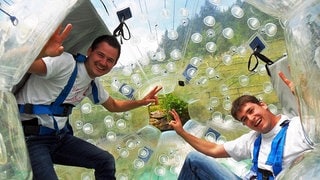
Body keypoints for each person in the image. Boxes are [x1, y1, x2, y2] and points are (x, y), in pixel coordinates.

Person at [15, 24, 162, 180]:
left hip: (58, 138)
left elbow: (113, 105)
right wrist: (43, 52)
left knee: (105, 161)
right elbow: (21, 65)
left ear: (113, 65)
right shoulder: (64, 63)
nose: (103, 62)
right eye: (100, 55)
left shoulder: (92, 84)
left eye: (110, 60)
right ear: (90, 51)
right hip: (31, 138)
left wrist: (142, 102)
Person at [169, 72, 313, 180]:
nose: (251, 118)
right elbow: (214, 149)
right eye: (245, 119)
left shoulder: (298, 127)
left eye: (251, 111)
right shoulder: (252, 140)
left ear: (262, 105)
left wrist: (303, 94)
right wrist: (182, 132)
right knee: (193, 160)